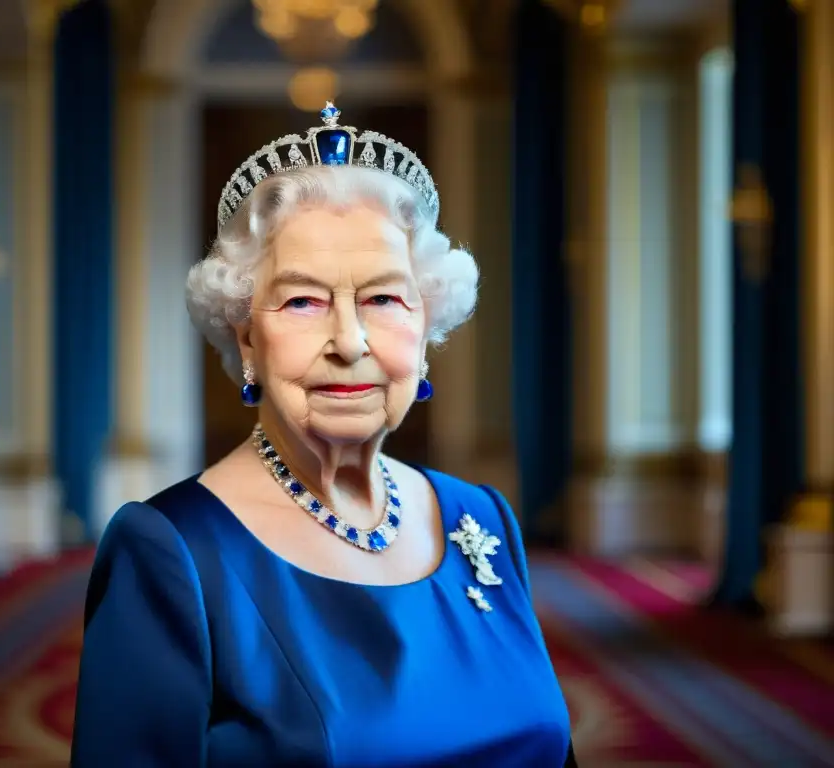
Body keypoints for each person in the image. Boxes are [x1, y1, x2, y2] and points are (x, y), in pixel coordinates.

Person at [71, 103, 577, 767]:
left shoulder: (482, 519)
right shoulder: (170, 552)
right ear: (248, 338)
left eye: (384, 299)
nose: (349, 341)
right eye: (304, 301)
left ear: (425, 333)